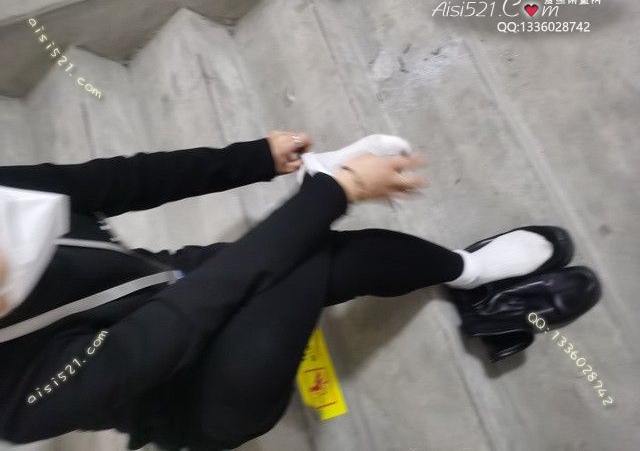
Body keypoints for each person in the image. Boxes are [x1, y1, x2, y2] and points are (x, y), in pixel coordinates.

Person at [0, 132, 571, 451]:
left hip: (162, 277)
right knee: (301, 257)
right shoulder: (13, 404)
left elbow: (116, 181)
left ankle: (467, 271)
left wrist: (256, 158)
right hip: (195, 390)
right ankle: (471, 276)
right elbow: (175, 324)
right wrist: (332, 192)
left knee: (298, 252)